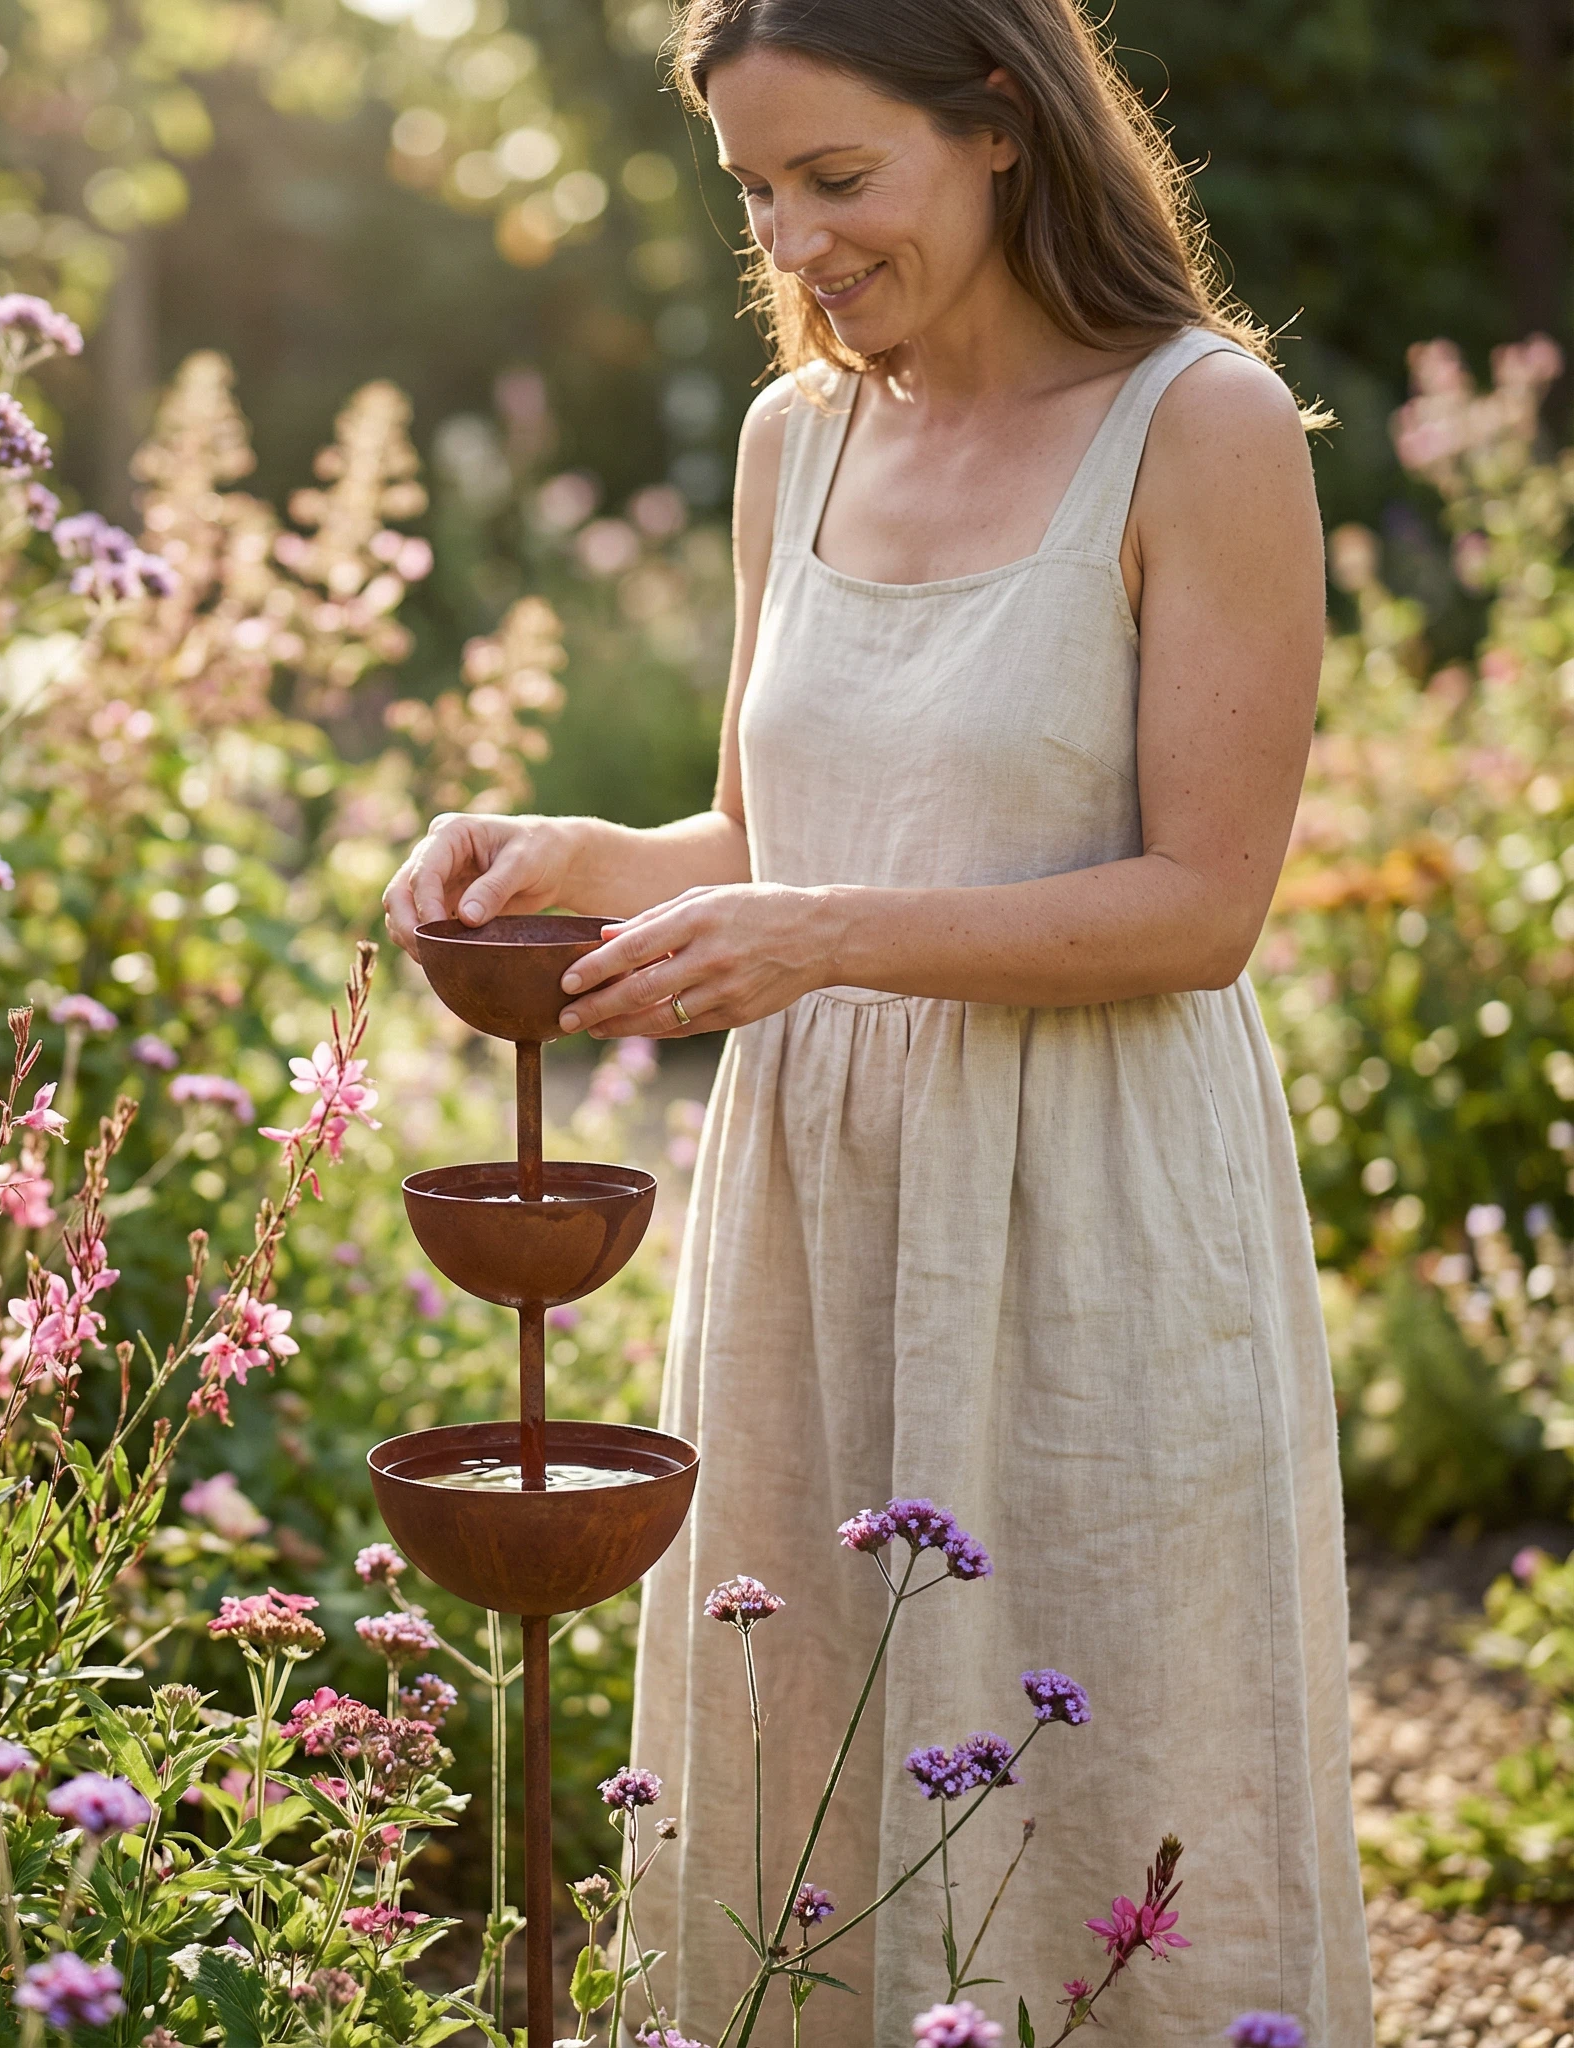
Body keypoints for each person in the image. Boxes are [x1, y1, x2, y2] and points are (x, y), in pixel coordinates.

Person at [381, 0, 1373, 2037]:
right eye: (756, 194)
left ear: (999, 124)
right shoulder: (794, 438)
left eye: (839, 177)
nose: (797, 239)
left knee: (1100, 1735)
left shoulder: (1199, 426)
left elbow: (1203, 907)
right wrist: (574, 846)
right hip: (816, 1201)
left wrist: (816, 931)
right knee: (813, 1715)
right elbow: (769, 826)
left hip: (1083, 1194)